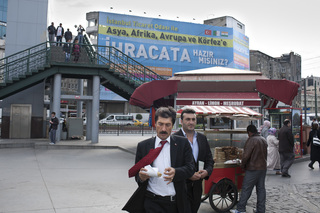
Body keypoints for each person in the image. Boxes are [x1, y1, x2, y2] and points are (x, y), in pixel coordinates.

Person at [123, 106, 194, 213]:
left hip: (176, 203)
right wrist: (141, 177)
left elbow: (191, 168)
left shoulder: (182, 143)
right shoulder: (143, 146)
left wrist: (176, 172)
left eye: (167, 125)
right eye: (160, 124)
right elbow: (138, 174)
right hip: (152, 202)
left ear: (172, 125)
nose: (163, 129)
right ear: (155, 124)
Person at [173, 108, 214, 213]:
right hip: (180, 186)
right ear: (181, 121)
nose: (191, 122)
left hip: (197, 186)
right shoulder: (174, 138)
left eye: (193, 119)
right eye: (187, 119)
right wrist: (187, 175)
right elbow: (171, 164)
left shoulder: (202, 138)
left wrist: (207, 171)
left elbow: (209, 159)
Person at [230, 125, 267, 213]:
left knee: (246, 188)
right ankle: (261, 210)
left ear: (249, 132)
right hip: (262, 168)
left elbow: (246, 156)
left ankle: (241, 209)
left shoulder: (251, 140)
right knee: (261, 189)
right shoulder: (263, 139)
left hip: (253, 168)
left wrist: (242, 165)